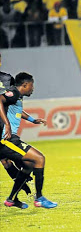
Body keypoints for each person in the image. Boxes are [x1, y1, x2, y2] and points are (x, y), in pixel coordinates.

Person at [0, 72, 56, 209]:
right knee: (39, 159)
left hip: (10, 139)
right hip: (6, 140)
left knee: (29, 165)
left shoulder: (17, 97)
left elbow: (17, 111)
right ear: (25, 85)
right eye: (31, 86)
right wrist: (6, 124)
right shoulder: (13, 92)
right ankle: (39, 198)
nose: (33, 89)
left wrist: (33, 120)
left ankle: (12, 199)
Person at [0, 55, 33, 199]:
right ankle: (22, 187)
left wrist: (31, 119)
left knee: (6, 159)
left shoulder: (8, 79)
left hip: (2, 125)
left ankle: (20, 190)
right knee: (7, 159)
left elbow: (15, 103)